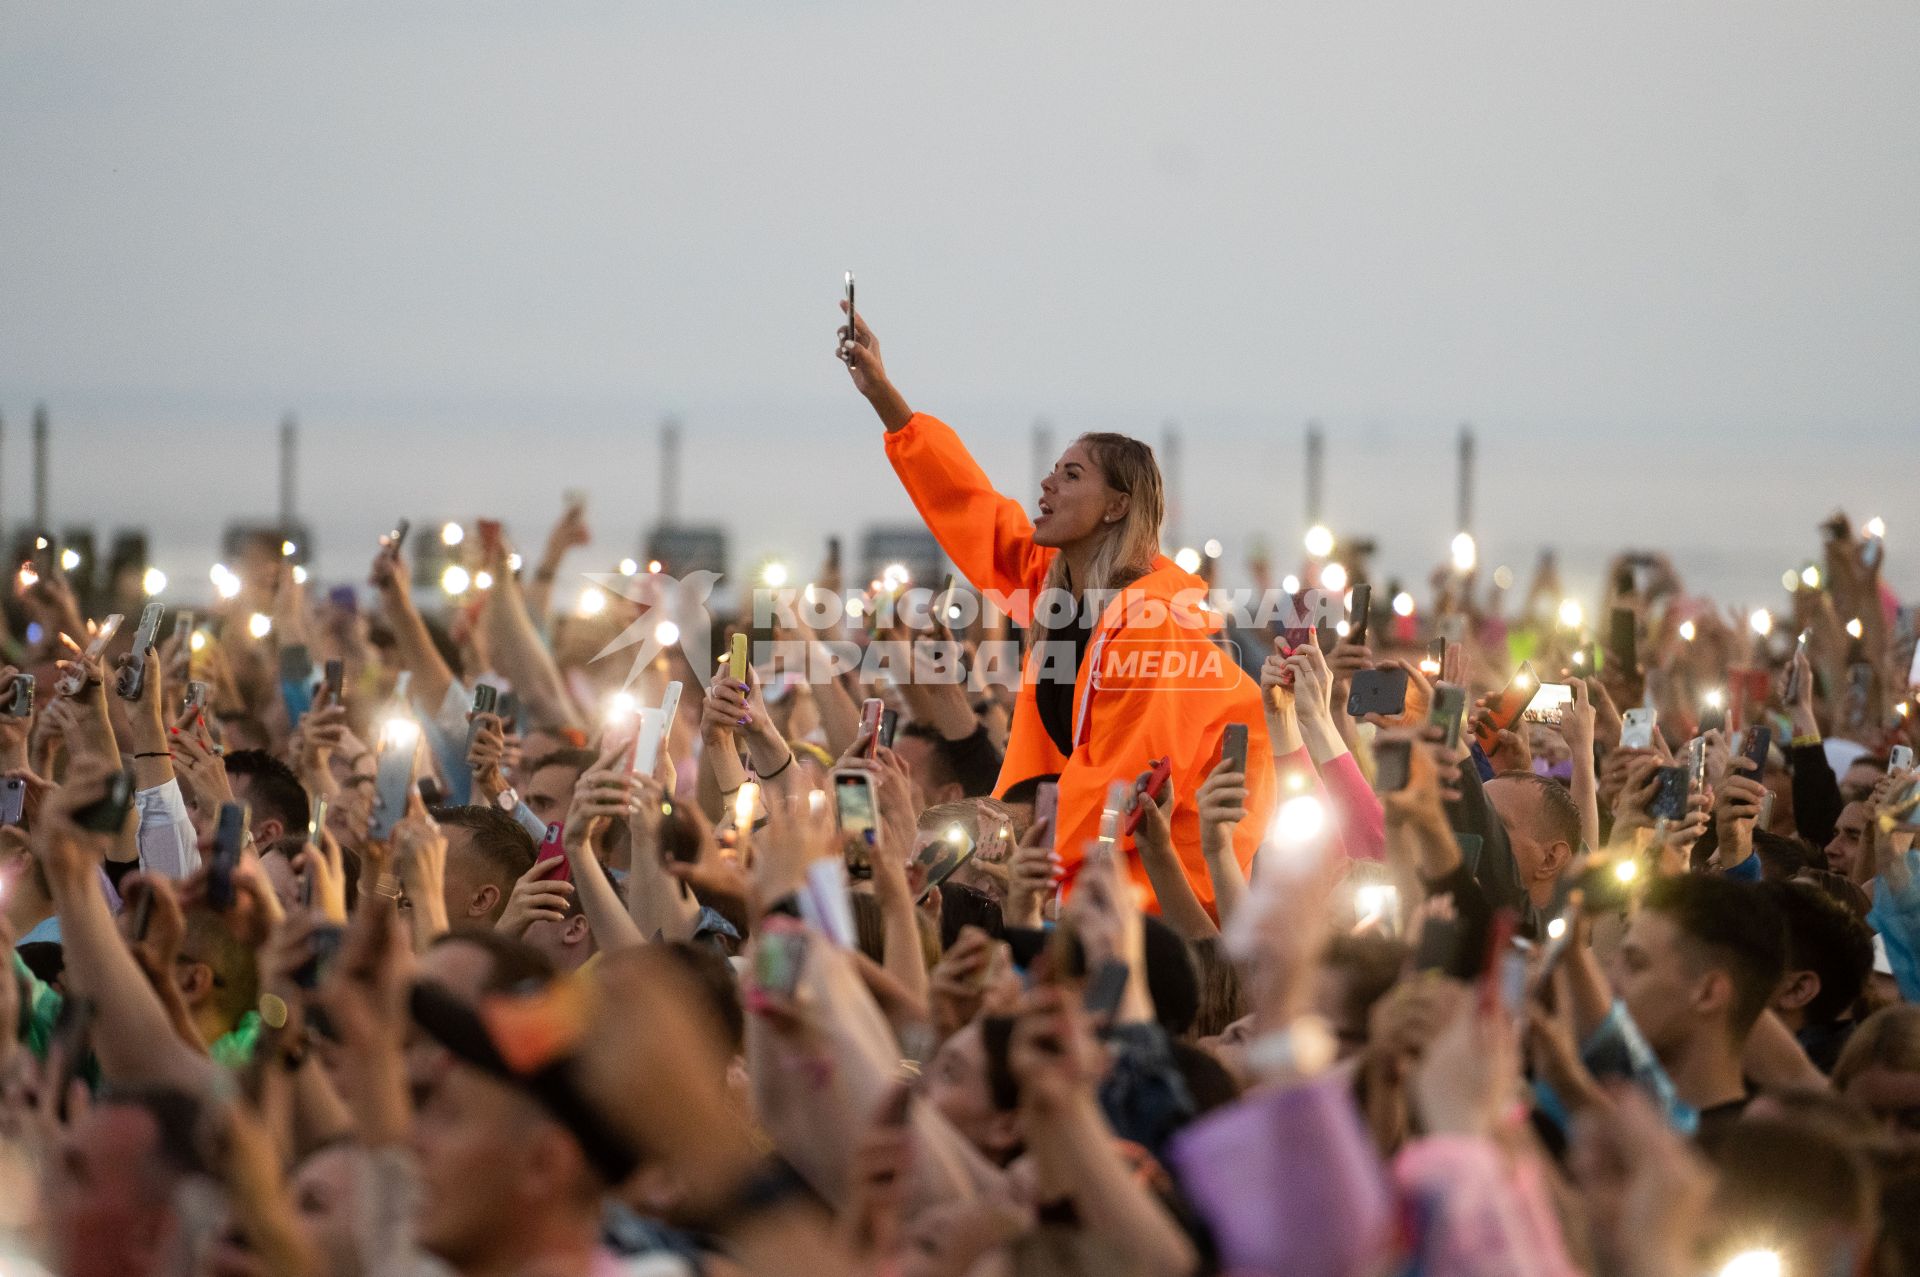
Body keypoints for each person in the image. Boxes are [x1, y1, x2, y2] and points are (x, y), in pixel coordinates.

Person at [838, 305, 1274, 915]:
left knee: (929, 894)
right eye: (1051, 472)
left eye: (1070, 476)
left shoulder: (1154, 624)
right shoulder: (1061, 588)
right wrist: (885, 396)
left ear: (1119, 506)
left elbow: (1122, 785)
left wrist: (987, 826)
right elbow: (973, 508)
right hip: (1084, 862)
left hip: (1171, 889)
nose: (1046, 486)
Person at [1609, 874, 1789, 1142]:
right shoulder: (1614, 1118)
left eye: (1635, 964)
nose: (1609, 982)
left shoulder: (1741, 1163)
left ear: (1708, 993)